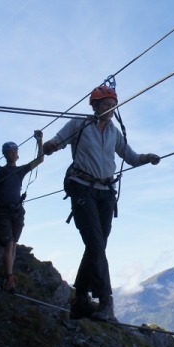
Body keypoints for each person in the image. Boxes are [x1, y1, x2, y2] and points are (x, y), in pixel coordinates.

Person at [42, 85, 160, 322]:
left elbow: (131, 157)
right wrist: (50, 147)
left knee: (98, 245)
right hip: (82, 188)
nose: (109, 109)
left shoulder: (115, 133)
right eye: (105, 104)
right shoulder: (78, 124)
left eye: (112, 105)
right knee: (96, 243)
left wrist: (147, 158)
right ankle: (106, 301)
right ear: (94, 105)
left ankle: (80, 299)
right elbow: (55, 143)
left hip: (106, 193)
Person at [0, 130, 44, 293]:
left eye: (15, 151)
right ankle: (9, 277)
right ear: (6, 154)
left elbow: (40, 159)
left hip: (16, 211)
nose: (14, 154)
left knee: (13, 245)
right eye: (11, 152)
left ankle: (7, 277)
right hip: (2, 211)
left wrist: (40, 141)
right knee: (10, 244)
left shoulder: (19, 171)